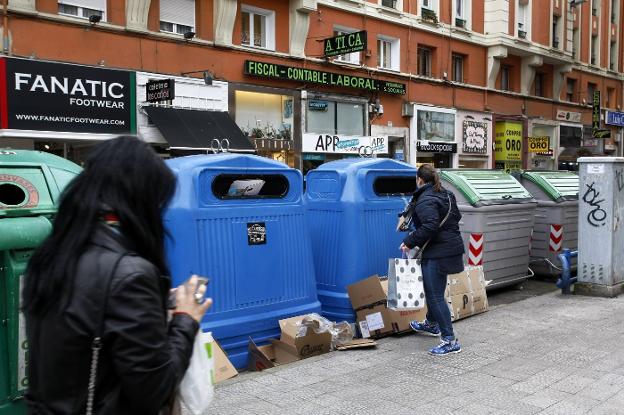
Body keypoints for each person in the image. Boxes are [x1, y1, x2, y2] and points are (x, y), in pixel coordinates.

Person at [22, 136, 212, 414]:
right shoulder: (129, 274)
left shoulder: (52, 256)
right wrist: (186, 318)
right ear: (142, 199)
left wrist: (153, 307)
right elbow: (153, 390)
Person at [400, 164, 464, 355]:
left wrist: (409, 241)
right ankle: (432, 323)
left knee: (435, 295)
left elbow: (430, 225)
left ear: (419, 179)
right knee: (434, 291)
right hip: (449, 248)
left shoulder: (425, 198)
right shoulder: (447, 194)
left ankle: (449, 340)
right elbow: (456, 216)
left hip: (439, 252)